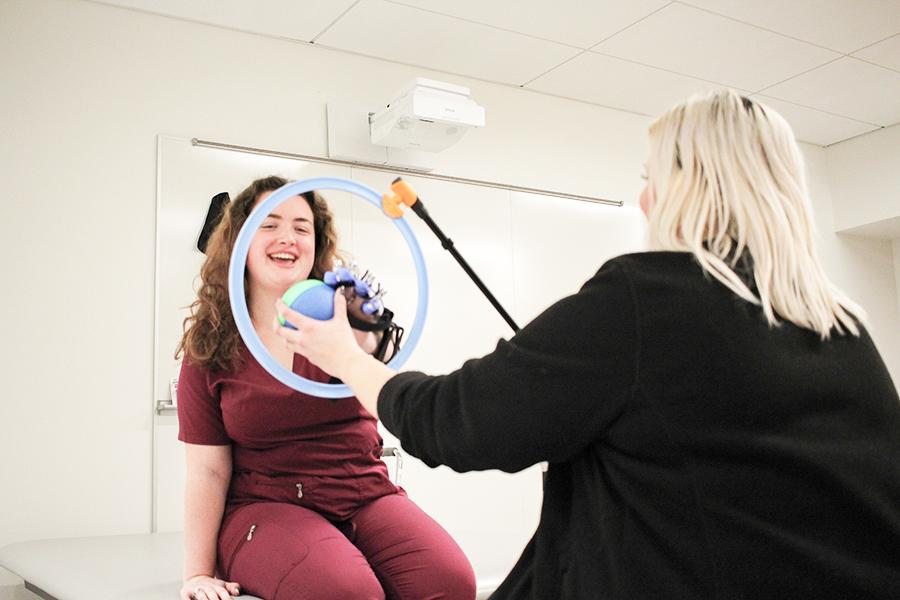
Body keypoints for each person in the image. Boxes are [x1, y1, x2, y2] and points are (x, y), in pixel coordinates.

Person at [276, 90, 900, 599]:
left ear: (690, 186)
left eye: (653, 178)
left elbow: (454, 423)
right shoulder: (846, 329)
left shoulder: (646, 300)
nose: (644, 198)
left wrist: (344, 357)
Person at [175, 176, 476, 600]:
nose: (288, 238)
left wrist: (363, 331)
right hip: (266, 506)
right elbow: (207, 469)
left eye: (302, 227)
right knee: (347, 592)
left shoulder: (344, 316)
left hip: (362, 494)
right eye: (270, 224)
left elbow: (374, 354)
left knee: (449, 583)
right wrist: (197, 574)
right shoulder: (210, 345)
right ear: (240, 240)